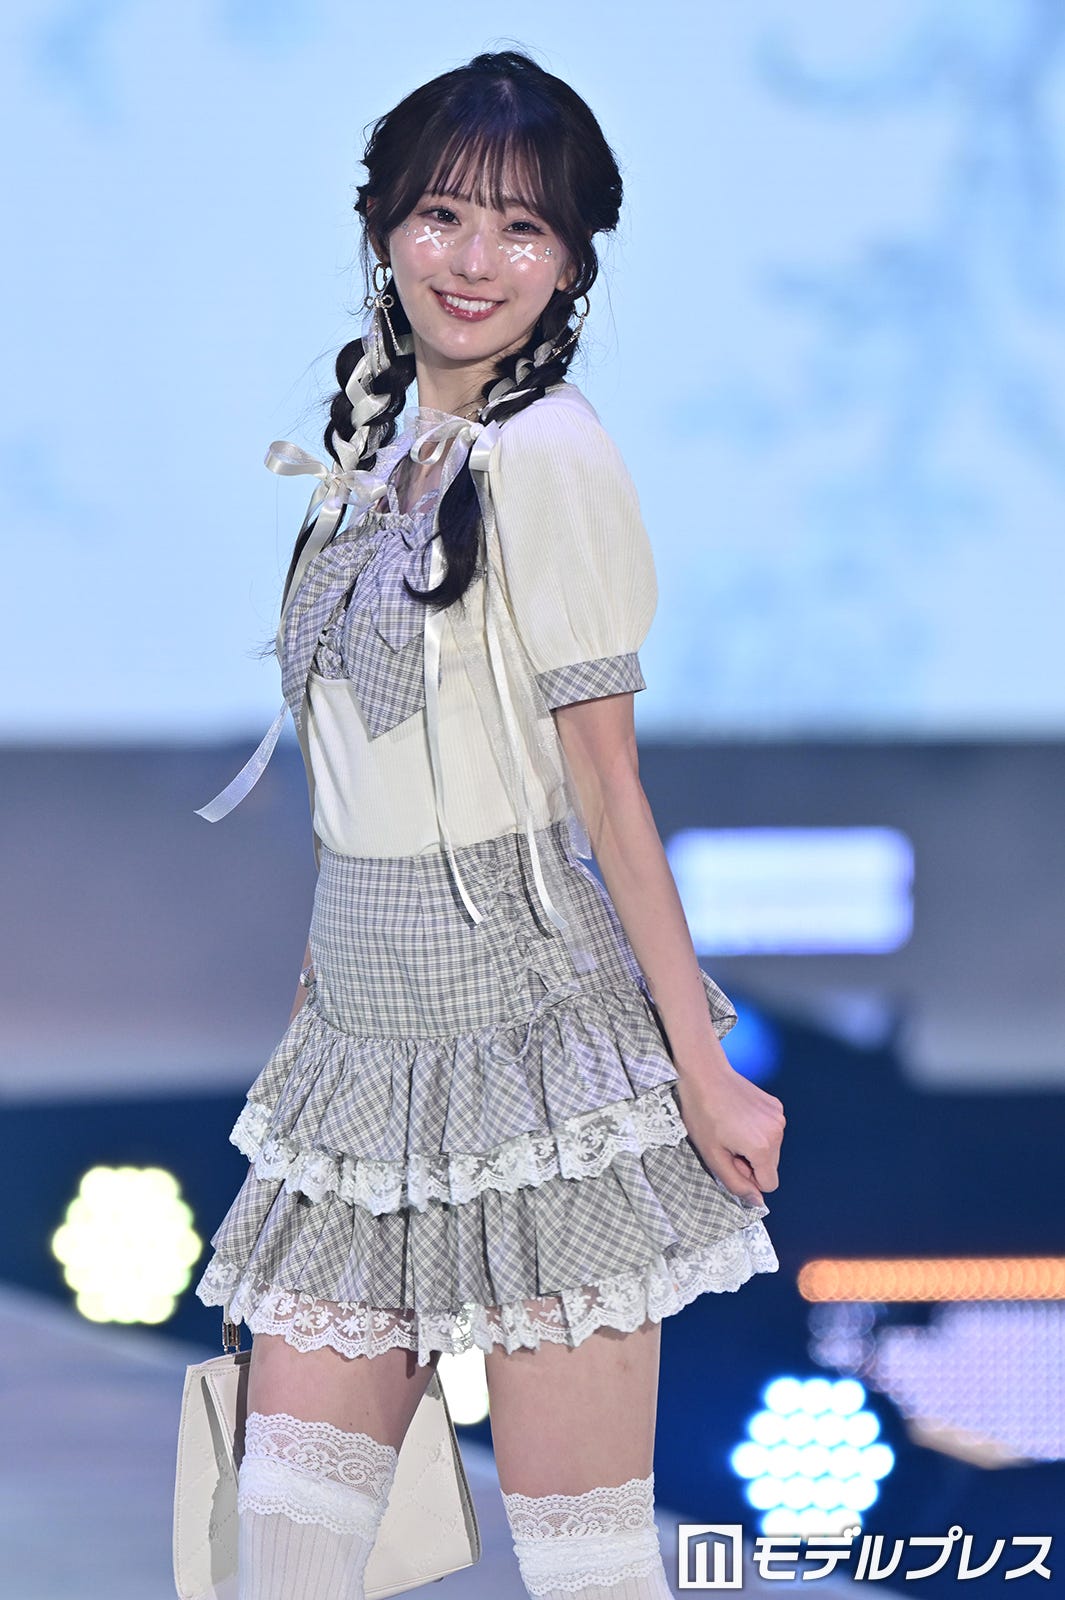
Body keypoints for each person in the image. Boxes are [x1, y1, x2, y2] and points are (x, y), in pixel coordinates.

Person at [192, 47, 786, 1600]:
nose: (473, 260)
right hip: (358, 1057)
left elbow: (607, 785)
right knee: (283, 1557)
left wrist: (702, 1066)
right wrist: (311, 1017)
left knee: (586, 1570)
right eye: (442, 215)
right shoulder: (370, 447)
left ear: (571, 263)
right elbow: (352, 785)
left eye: (522, 229)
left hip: (529, 1039)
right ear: (385, 230)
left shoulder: (553, 455)